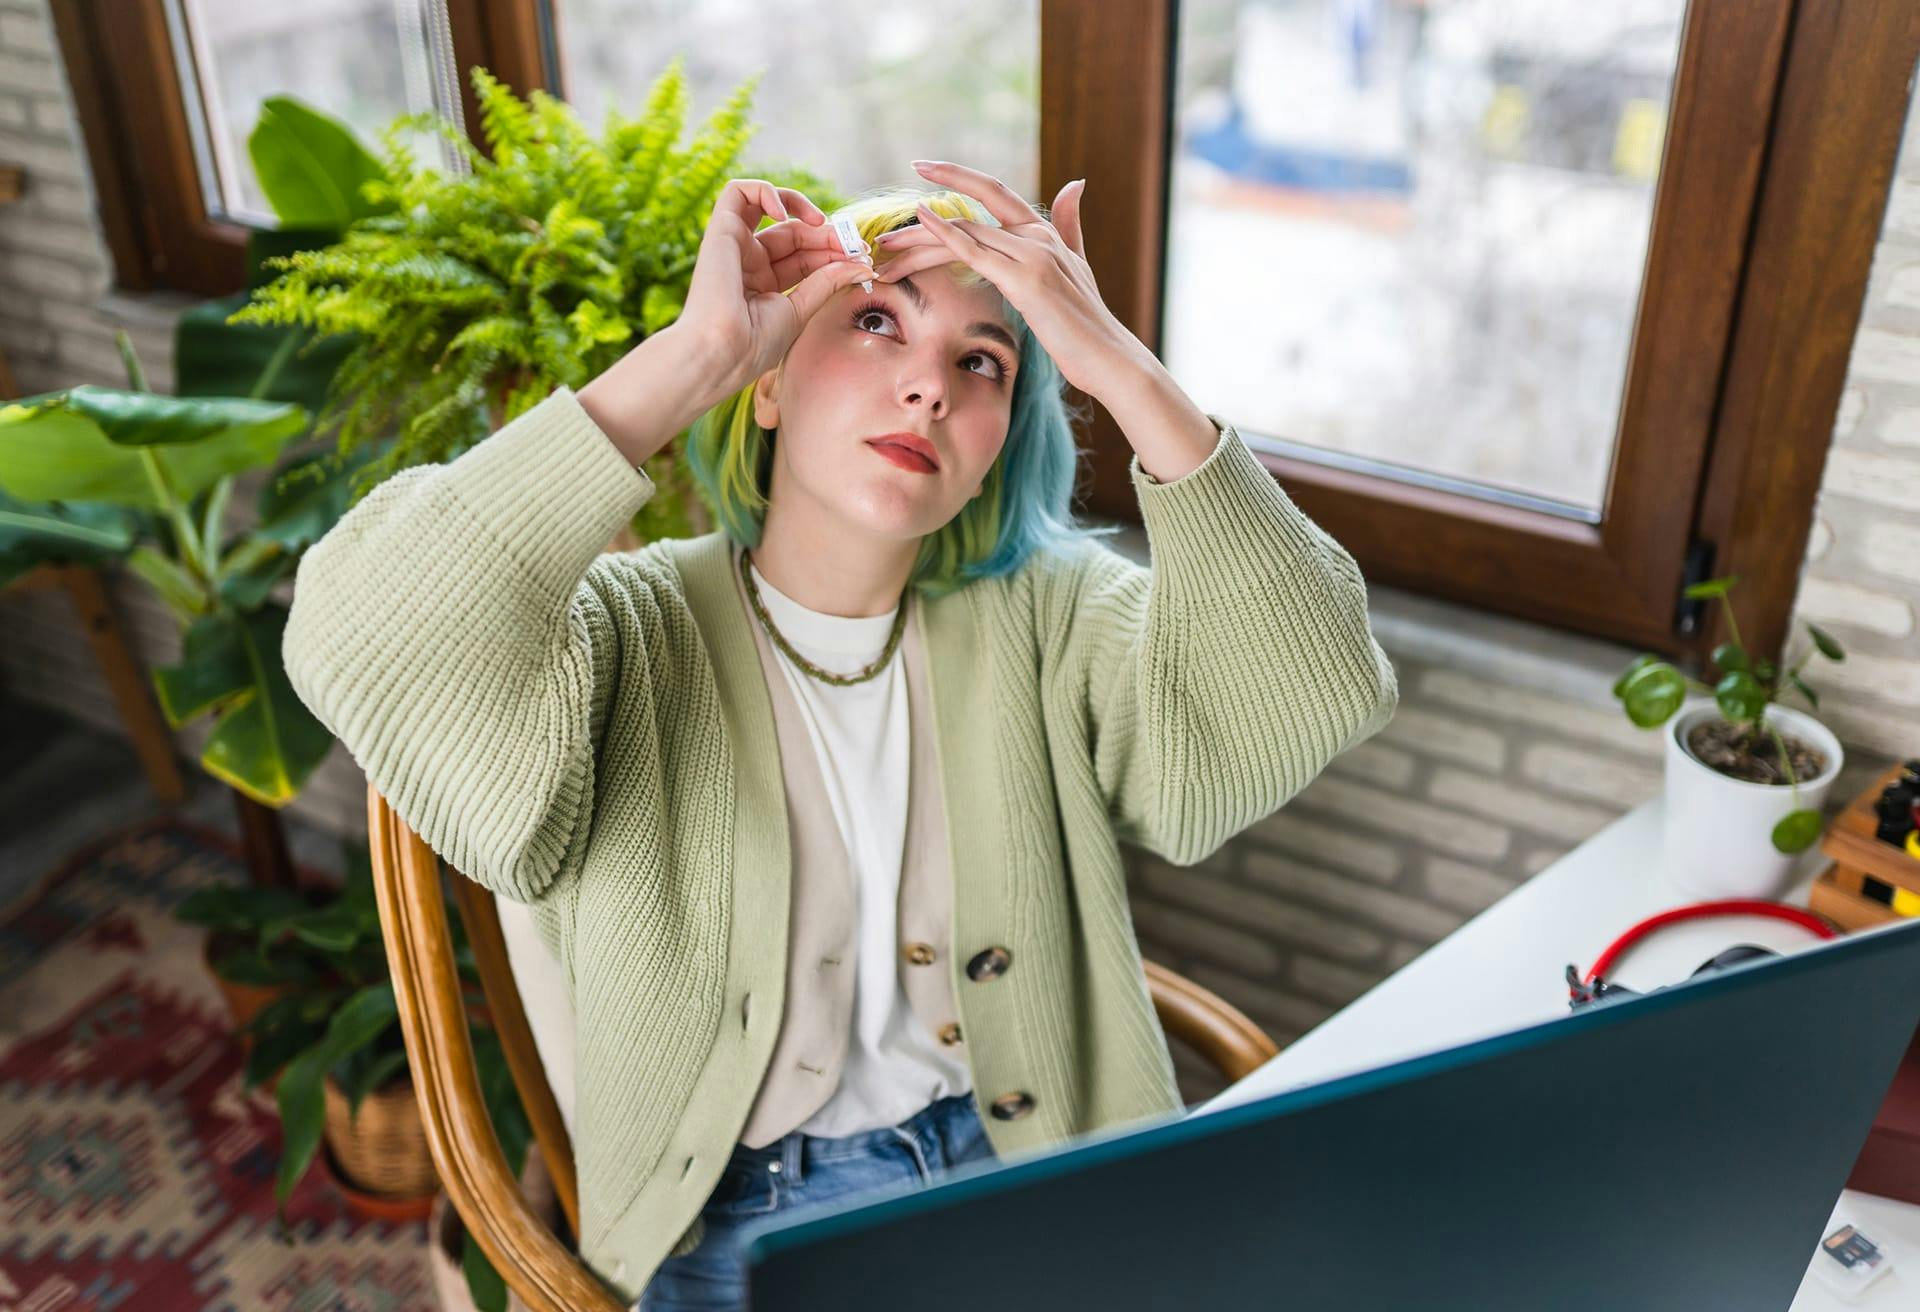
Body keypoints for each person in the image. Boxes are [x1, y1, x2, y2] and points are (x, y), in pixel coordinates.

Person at [282, 161, 1398, 1311]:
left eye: (983, 361)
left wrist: (1114, 362)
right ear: (768, 387)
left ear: (993, 454)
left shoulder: (1051, 613)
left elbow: (1316, 685)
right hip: (743, 1227)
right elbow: (359, 632)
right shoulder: (624, 633)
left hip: (1035, 1173)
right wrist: (699, 353)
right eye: (875, 321)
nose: (929, 388)